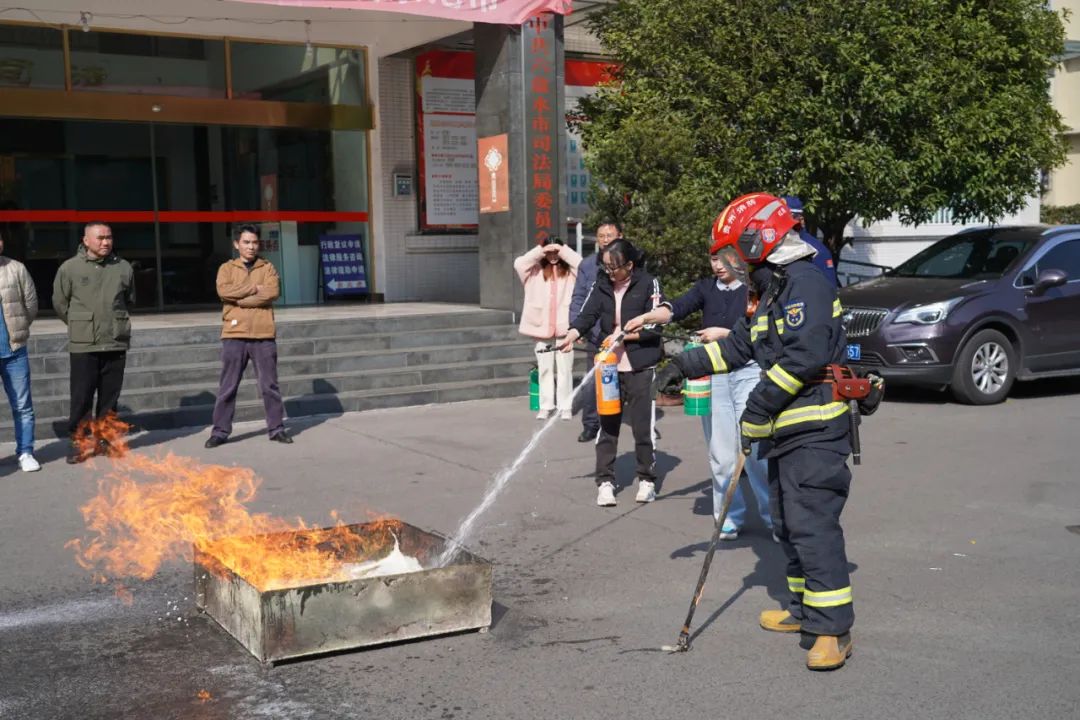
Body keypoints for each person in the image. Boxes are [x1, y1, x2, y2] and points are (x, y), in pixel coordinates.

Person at [655, 193, 862, 671]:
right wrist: (681, 366)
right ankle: (804, 611)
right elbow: (739, 348)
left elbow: (805, 358)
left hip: (815, 428)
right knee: (786, 523)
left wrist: (757, 406)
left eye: (733, 251)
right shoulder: (774, 290)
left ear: (758, 239)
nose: (730, 263)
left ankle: (833, 630)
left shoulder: (806, 283)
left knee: (813, 526)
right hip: (789, 431)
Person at [625, 246, 772, 541]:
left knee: (756, 451)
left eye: (724, 258)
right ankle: (728, 517)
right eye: (713, 259)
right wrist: (647, 317)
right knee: (721, 453)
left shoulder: (754, 288)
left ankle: (775, 517)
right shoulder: (706, 287)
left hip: (748, 371)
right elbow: (676, 307)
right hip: (715, 374)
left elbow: (762, 331)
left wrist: (724, 334)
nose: (718, 265)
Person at [558, 239, 665, 507]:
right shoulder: (602, 283)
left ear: (629, 265)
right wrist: (571, 334)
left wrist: (623, 337)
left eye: (614, 268)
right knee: (607, 425)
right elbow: (588, 314)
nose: (609, 272)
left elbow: (655, 326)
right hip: (609, 365)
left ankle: (647, 479)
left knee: (642, 426)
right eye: (605, 267)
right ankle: (605, 481)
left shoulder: (648, 283)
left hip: (640, 365)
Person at [53, 222, 134, 464]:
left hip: (115, 341)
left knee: (110, 397)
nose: (106, 242)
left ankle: (106, 440)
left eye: (109, 237)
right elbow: (60, 303)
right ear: (86, 240)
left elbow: (128, 300)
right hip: (84, 344)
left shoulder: (123, 267)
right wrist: (80, 324)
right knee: (82, 397)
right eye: (100, 238)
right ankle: (80, 443)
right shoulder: (70, 268)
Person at [205, 225, 291, 448]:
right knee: (228, 386)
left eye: (254, 242)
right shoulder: (227, 268)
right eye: (246, 242)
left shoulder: (268, 267)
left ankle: (276, 428)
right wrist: (254, 288)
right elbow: (224, 292)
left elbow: (272, 292)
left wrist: (240, 297)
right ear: (237, 244)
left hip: (263, 333)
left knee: (269, 386)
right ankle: (220, 431)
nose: (251, 247)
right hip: (234, 333)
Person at [513, 236, 582, 420]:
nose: (553, 256)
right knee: (544, 368)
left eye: (555, 252)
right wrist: (540, 250)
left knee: (565, 369)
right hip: (541, 326)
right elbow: (519, 263)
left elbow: (581, 264)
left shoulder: (571, 271)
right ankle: (546, 405)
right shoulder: (533, 270)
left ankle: (565, 406)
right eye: (549, 252)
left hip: (565, 327)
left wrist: (563, 250)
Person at [568, 221, 621, 442]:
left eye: (610, 235)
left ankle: (640, 422)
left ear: (620, 236)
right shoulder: (588, 265)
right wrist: (575, 326)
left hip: (624, 332)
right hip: (597, 331)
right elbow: (579, 296)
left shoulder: (632, 262)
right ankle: (591, 424)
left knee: (630, 380)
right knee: (592, 380)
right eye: (601, 236)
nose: (605, 239)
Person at [0, 231, 39, 471]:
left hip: (14, 351)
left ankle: (25, 452)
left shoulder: (16, 268)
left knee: (23, 406)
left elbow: (31, 303)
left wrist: (19, 329)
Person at [780, 195, 837, 286]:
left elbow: (830, 288)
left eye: (785, 217)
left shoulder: (816, 250)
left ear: (801, 220)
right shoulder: (777, 247)